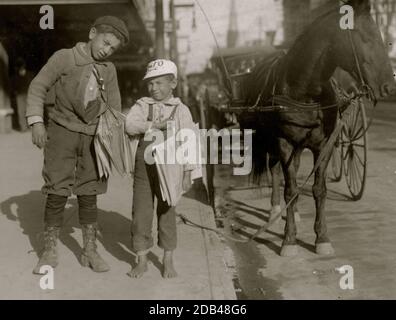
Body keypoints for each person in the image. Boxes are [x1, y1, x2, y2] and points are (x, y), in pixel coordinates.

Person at [26, 16, 129, 274]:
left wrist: (115, 139)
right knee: (57, 189)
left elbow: (114, 106)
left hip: (93, 137)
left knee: (89, 191)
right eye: (105, 43)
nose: (107, 50)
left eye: (113, 48)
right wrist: (36, 122)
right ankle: (49, 250)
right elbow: (38, 86)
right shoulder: (65, 57)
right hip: (61, 132)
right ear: (92, 33)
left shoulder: (109, 70)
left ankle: (89, 250)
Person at [125, 59, 195, 278]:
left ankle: (168, 259)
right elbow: (129, 125)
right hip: (143, 167)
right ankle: (142, 259)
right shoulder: (142, 105)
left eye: (159, 83)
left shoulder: (181, 110)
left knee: (167, 211)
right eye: (150, 84)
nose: (154, 88)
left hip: (171, 168)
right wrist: (154, 125)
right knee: (141, 212)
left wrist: (187, 172)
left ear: (172, 83)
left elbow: (189, 142)